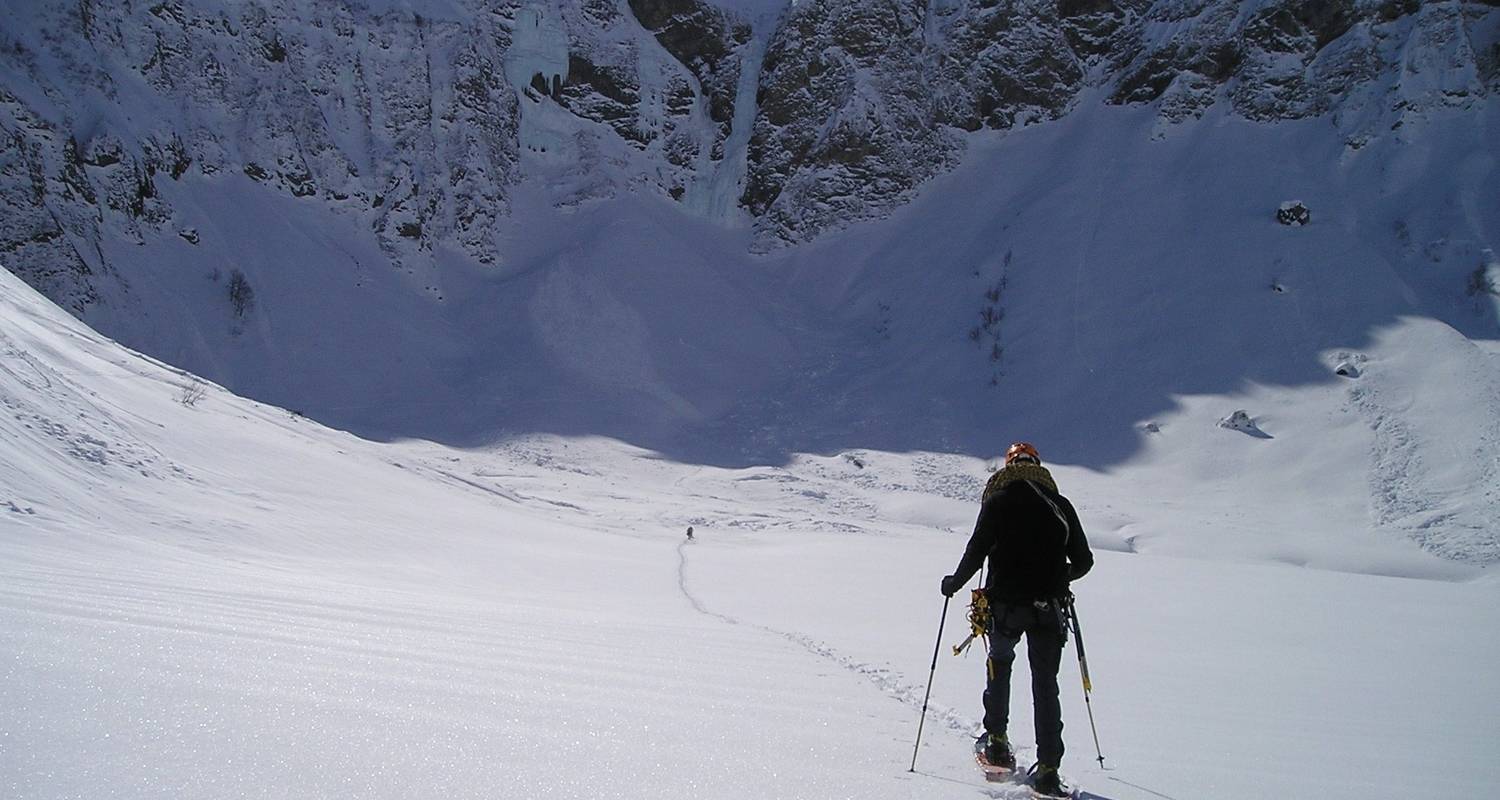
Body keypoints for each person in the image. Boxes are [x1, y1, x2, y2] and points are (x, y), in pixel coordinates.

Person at [941, 442, 1093, 798]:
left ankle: (996, 741)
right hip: (1049, 610)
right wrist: (1058, 577)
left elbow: (976, 552)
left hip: (1005, 606)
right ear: (1038, 466)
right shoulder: (1061, 505)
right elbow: (1084, 561)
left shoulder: (997, 501)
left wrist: (953, 584)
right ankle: (1049, 770)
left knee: (999, 666)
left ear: (1008, 467)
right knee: (1045, 684)